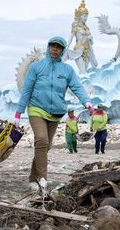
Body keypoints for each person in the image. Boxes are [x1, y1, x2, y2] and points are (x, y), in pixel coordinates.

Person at [14, 36, 92, 183]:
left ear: (62, 50)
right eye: (53, 46)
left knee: (45, 146)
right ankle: (43, 179)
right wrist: (18, 112)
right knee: (42, 140)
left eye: (58, 47)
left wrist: (87, 102)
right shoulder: (36, 67)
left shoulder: (67, 70)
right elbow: (26, 90)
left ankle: (32, 178)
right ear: (49, 47)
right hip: (36, 109)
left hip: (55, 112)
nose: (55, 49)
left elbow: (77, 87)